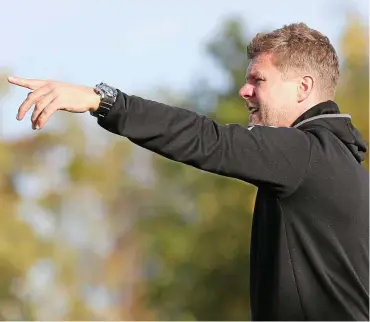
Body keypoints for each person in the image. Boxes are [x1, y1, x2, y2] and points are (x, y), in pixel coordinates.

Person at [8, 22, 368, 321]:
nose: (244, 91)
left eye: (258, 80)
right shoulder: (346, 168)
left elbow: (208, 140)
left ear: (303, 87)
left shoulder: (303, 153)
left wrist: (103, 100)